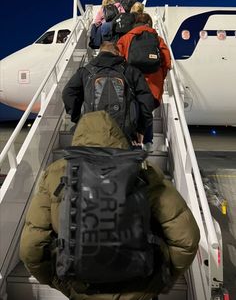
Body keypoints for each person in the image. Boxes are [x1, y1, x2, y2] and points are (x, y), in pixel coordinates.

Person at [19, 110, 200, 300]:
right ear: (119, 136)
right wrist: (161, 281)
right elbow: (187, 239)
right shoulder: (145, 171)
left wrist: (64, 284)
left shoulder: (57, 173)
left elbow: (30, 248)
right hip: (140, 289)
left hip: (82, 288)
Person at [62, 41, 154, 143]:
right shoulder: (131, 71)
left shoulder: (85, 71)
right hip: (124, 133)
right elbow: (147, 100)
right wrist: (141, 128)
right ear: (117, 52)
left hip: (92, 131)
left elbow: (68, 93)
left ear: (100, 52)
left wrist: (78, 119)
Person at [117, 13, 171, 152]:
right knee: (147, 111)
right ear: (149, 24)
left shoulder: (126, 38)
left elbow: (118, 61)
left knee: (132, 111)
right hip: (153, 82)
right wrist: (160, 77)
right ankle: (147, 143)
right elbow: (167, 63)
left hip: (132, 81)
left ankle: (131, 143)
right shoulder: (158, 39)